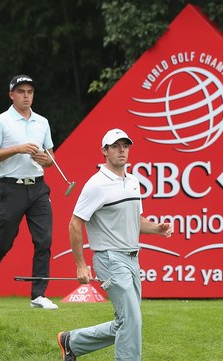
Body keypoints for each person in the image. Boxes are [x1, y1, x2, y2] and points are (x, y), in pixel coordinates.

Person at [57, 128, 173, 361]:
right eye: (116, 146)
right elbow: (74, 224)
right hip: (109, 259)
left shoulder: (132, 181)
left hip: (132, 258)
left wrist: (157, 229)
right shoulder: (96, 184)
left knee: (127, 320)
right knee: (131, 320)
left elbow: (137, 222)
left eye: (125, 146)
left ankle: (72, 342)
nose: (122, 151)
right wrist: (81, 265)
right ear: (104, 151)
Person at [0, 75, 57, 309]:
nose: (26, 95)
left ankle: (38, 295)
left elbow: (51, 158)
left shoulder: (42, 122)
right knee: (4, 241)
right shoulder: (1, 121)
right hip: (11, 187)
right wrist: (18, 149)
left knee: (44, 240)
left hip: (38, 186)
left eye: (30, 91)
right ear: (11, 94)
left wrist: (44, 158)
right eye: (21, 91)